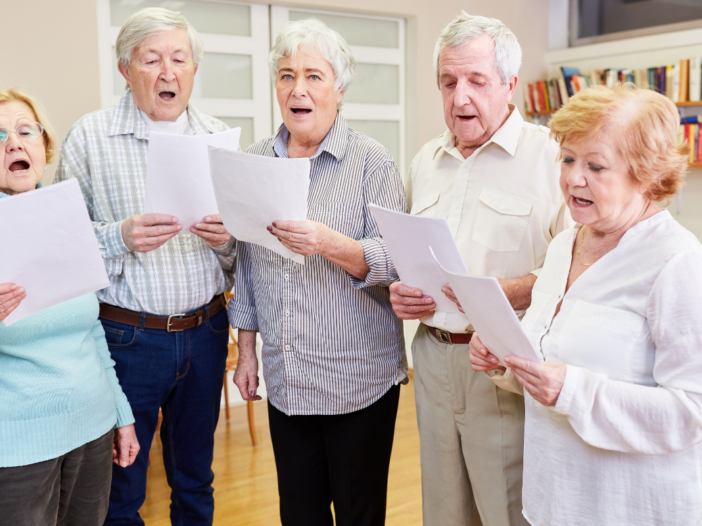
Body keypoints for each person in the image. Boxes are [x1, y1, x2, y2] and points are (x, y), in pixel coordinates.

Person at [471, 84, 702, 526]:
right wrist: (506, 360)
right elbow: (551, 363)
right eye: (568, 158)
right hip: (556, 499)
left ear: (647, 175)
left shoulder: (676, 261)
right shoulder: (563, 246)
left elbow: (691, 412)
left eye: (595, 165)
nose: (574, 178)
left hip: (630, 507)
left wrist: (572, 391)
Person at [55, 8, 235, 525]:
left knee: (196, 481)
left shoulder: (220, 139)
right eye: (151, 59)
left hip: (205, 333)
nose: (167, 72)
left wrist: (226, 240)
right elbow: (64, 249)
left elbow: (238, 258)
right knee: (121, 490)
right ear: (124, 68)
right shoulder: (89, 138)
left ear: (194, 68)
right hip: (127, 340)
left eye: (179, 59)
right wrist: (121, 236)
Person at [389, 12, 570, 526]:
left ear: (510, 84)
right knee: (443, 512)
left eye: (476, 81)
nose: (459, 97)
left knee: (507, 510)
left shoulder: (552, 159)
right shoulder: (425, 161)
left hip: (502, 365)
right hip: (430, 357)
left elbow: (571, 277)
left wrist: (500, 293)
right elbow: (411, 256)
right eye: (448, 82)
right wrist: (402, 292)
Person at [229, 18, 408, 526]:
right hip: (288, 380)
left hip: (358, 381)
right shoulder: (255, 161)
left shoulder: (372, 161)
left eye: (313, 76)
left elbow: (394, 262)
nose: (298, 89)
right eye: (286, 76)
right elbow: (248, 265)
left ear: (340, 88)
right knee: (300, 514)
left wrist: (327, 242)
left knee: (358, 512)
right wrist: (246, 352)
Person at [0, 87, 138, 526]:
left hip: (91, 426)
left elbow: (91, 328)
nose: (14, 143)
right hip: (18, 444)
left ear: (44, 145)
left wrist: (121, 414)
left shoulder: (65, 215)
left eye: (26, 131)